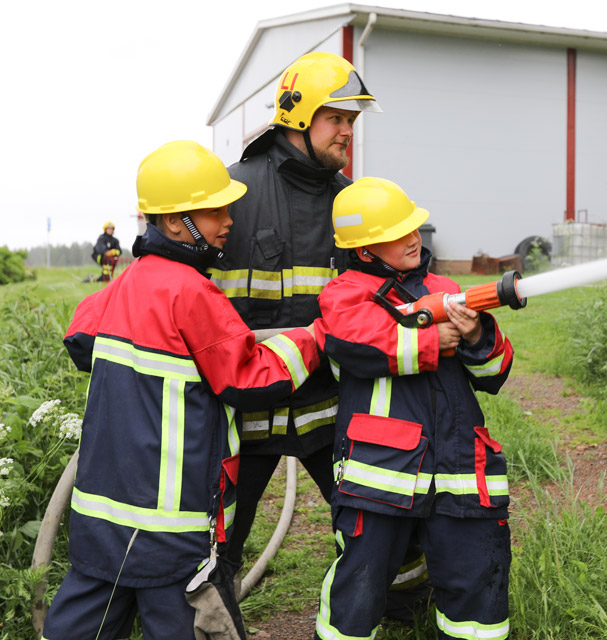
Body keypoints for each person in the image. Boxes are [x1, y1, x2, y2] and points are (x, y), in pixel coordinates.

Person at [42, 140, 323, 639]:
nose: (229, 221)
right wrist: (312, 338)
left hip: (99, 523)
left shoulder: (125, 284)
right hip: (169, 531)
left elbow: (79, 339)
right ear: (176, 223)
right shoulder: (192, 292)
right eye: (217, 211)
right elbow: (250, 377)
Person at [211, 51, 430, 616]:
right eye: (337, 119)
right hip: (247, 411)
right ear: (300, 117)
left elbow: (391, 282)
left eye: (352, 122)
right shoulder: (232, 191)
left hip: (330, 405)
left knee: (379, 520)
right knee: (219, 538)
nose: (347, 133)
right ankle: (212, 622)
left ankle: (407, 609)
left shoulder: (350, 202)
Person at [312, 177, 514, 640]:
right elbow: (357, 342)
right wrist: (432, 338)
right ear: (363, 251)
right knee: (357, 593)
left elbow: (495, 373)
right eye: (395, 233)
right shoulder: (345, 294)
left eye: (413, 228)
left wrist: (477, 336)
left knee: (477, 588)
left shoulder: (445, 288)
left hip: (461, 468)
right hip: (379, 477)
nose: (412, 239)